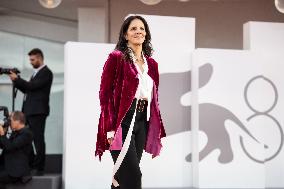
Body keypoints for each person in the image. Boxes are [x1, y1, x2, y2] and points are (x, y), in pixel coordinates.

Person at [95, 15, 166, 189]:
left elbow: (153, 97)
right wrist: (110, 129)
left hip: (143, 121)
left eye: (142, 28)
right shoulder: (116, 58)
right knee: (133, 177)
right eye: (133, 28)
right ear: (125, 35)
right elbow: (105, 95)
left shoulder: (152, 64)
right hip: (123, 123)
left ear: (146, 34)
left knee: (122, 176)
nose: (138, 32)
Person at [8, 48, 53, 176]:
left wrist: (17, 80)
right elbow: (29, 90)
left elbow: (32, 87)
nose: (31, 62)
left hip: (37, 112)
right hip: (29, 111)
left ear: (39, 58)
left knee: (38, 139)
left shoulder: (46, 73)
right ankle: (32, 163)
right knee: (27, 138)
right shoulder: (35, 74)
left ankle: (39, 168)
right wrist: (16, 81)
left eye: (32, 59)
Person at [0, 111, 33, 189]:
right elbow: (4, 146)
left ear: (18, 121)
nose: (9, 122)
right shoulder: (15, 132)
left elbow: (10, 147)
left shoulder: (26, 133)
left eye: (10, 120)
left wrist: (2, 135)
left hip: (16, 170)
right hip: (7, 166)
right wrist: (3, 134)